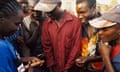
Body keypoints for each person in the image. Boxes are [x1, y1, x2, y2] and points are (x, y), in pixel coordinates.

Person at [34, 0, 82, 72]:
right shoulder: (46, 24)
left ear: (59, 4)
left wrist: (68, 68)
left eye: (50, 11)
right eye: (46, 12)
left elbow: (76, 47)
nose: (48, 14)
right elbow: (47, 47)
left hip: (72, 68)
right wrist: (51, 65)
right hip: (55, 68)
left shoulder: (75, 22)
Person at [89, 5, 120, 72]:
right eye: (100, 29)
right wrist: (88, 59)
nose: (100, 33)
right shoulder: (112, 42)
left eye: (105, 29)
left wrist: (106, 58)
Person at [75, 0, 102, 71]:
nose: (79, 16)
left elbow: (111, 53)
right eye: (77, 13)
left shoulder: (106, 27)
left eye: (82, 12)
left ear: (94, 8)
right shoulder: (81, 26)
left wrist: (88, 59)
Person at [0, 0, 23, 71]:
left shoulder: (4, 39)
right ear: (1, 17)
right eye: (16, 24)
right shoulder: (1, 47)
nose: (18, 28)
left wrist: (22, 61)